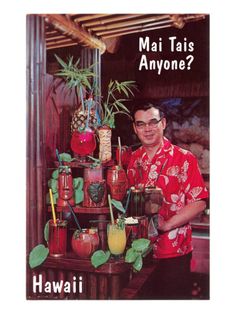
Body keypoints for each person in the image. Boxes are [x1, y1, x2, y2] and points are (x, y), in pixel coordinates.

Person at [127, 102, 209, 299]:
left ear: (163, 123)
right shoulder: (132, 159)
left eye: (153, 122)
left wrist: (167, 224)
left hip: (174, 253)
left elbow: (200, 201)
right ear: (135, 128)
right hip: (139, 253)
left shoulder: (184, 158)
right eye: (141, 124)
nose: (147, 129)